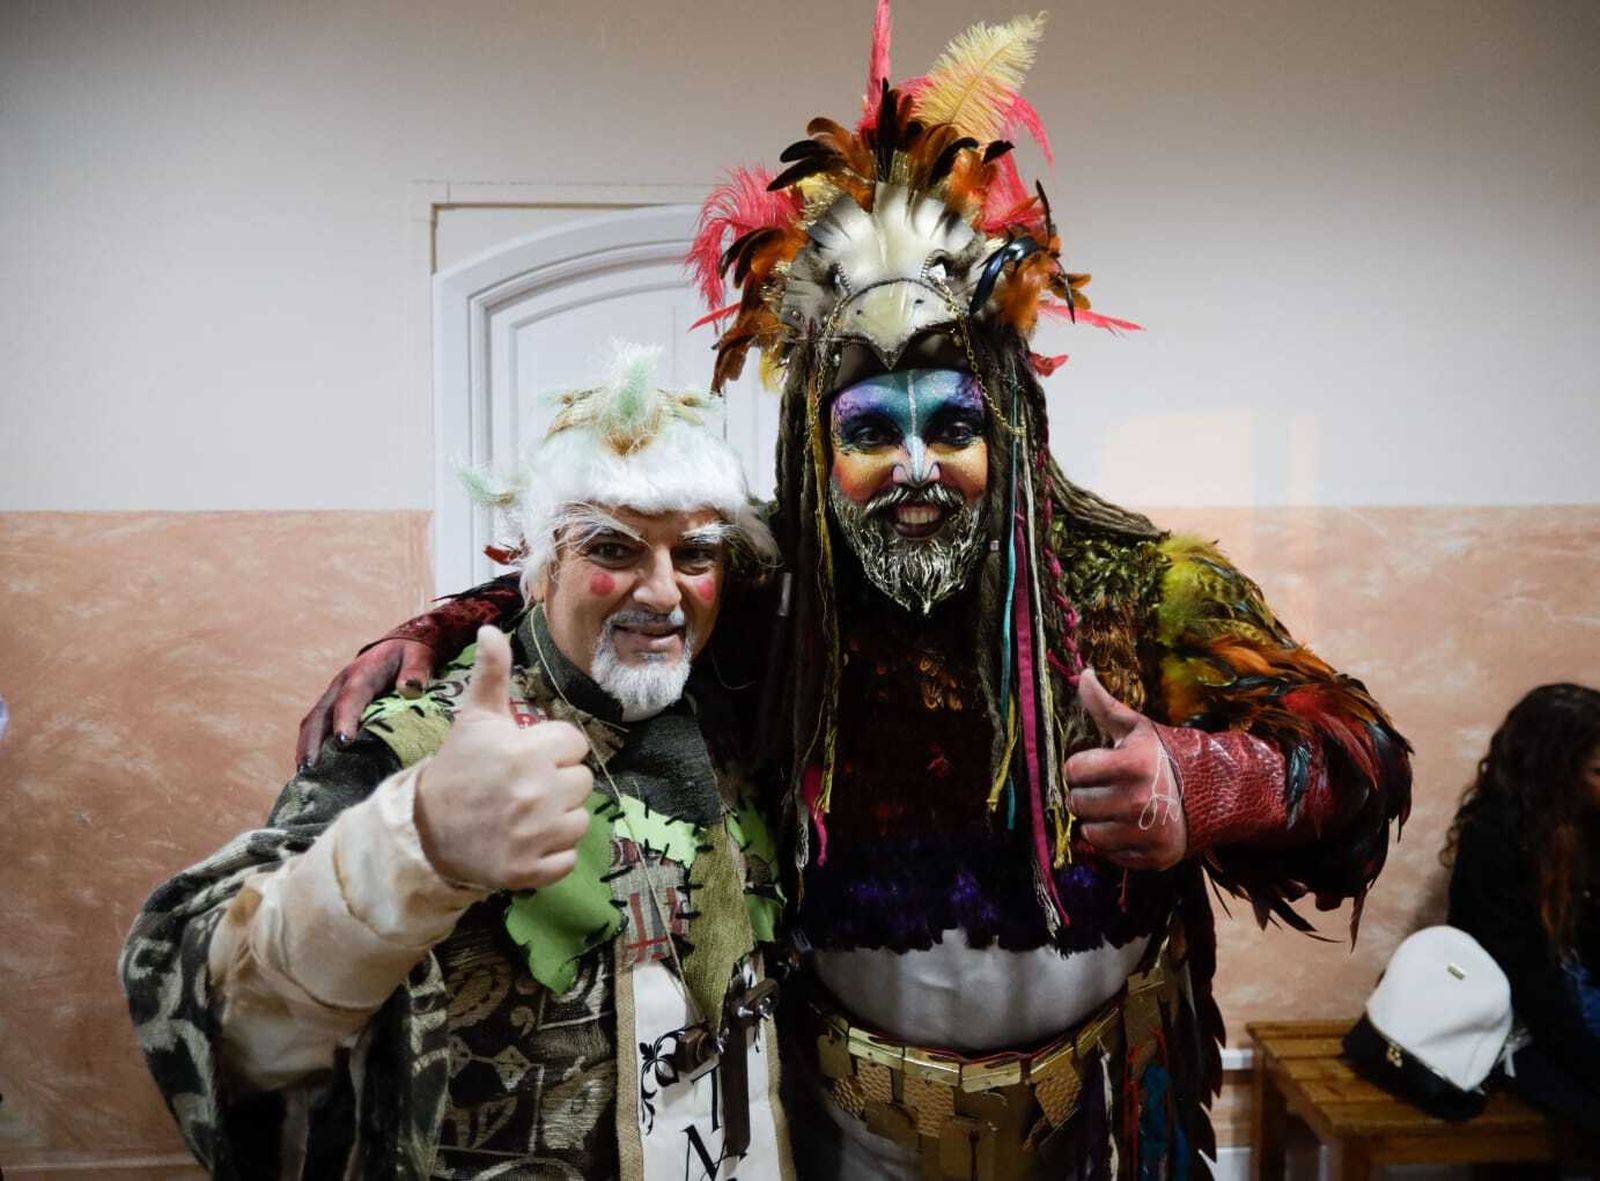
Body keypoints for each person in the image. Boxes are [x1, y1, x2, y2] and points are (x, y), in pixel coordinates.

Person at [296, 8, 1414, 1176]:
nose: (919, 467)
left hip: (1107, 1113)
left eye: (955, 426)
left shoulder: (1145, 581)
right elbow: (604, 582)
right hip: (845, 1125)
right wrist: (445, 629)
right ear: (812, 451)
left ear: (1015, 430)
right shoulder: (777, 592)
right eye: (872, 430)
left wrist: (1207, 781)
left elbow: (1358, 752)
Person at [121, 345, 796, 1180]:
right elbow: (222, 1013)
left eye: (694, 555)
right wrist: (418, 843)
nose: (661, 591)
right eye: (614, 550)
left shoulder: (741, 715)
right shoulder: (423, 744)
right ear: (541, 562)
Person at [1446, 682, 1600, 1136]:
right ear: (1557, 771)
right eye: (1599, 770)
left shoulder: (1590, 827)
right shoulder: (1494, 839)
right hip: (1521, 1027)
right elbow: (1528, 983)